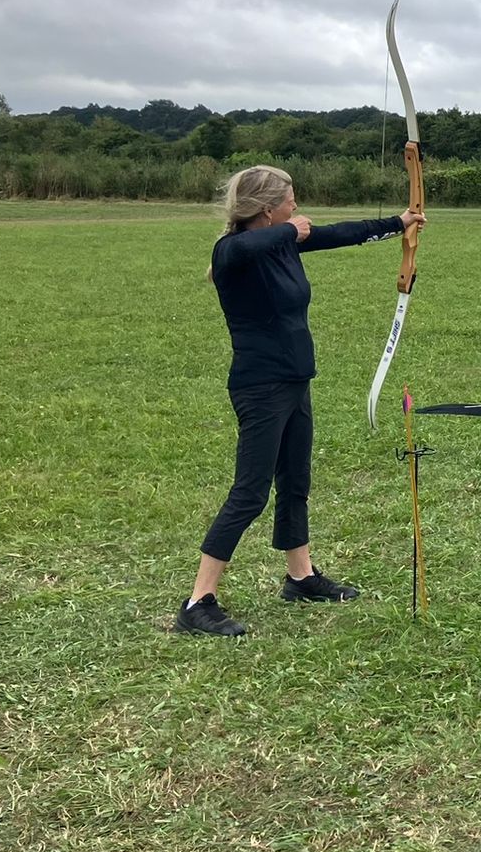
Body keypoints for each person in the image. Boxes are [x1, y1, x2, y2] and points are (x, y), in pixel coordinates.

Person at [178, 166, 425, 636]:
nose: (298, 206)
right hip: (260, 387)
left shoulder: (282, 242)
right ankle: (197, 602)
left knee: (295, 481)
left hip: (294, 381)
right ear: (268, 209)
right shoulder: (233, 251)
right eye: (290, 200)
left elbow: (337, 234)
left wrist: (398, 222)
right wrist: (292, 230)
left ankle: (301, 577)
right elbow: (244, 245)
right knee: (250, 492)